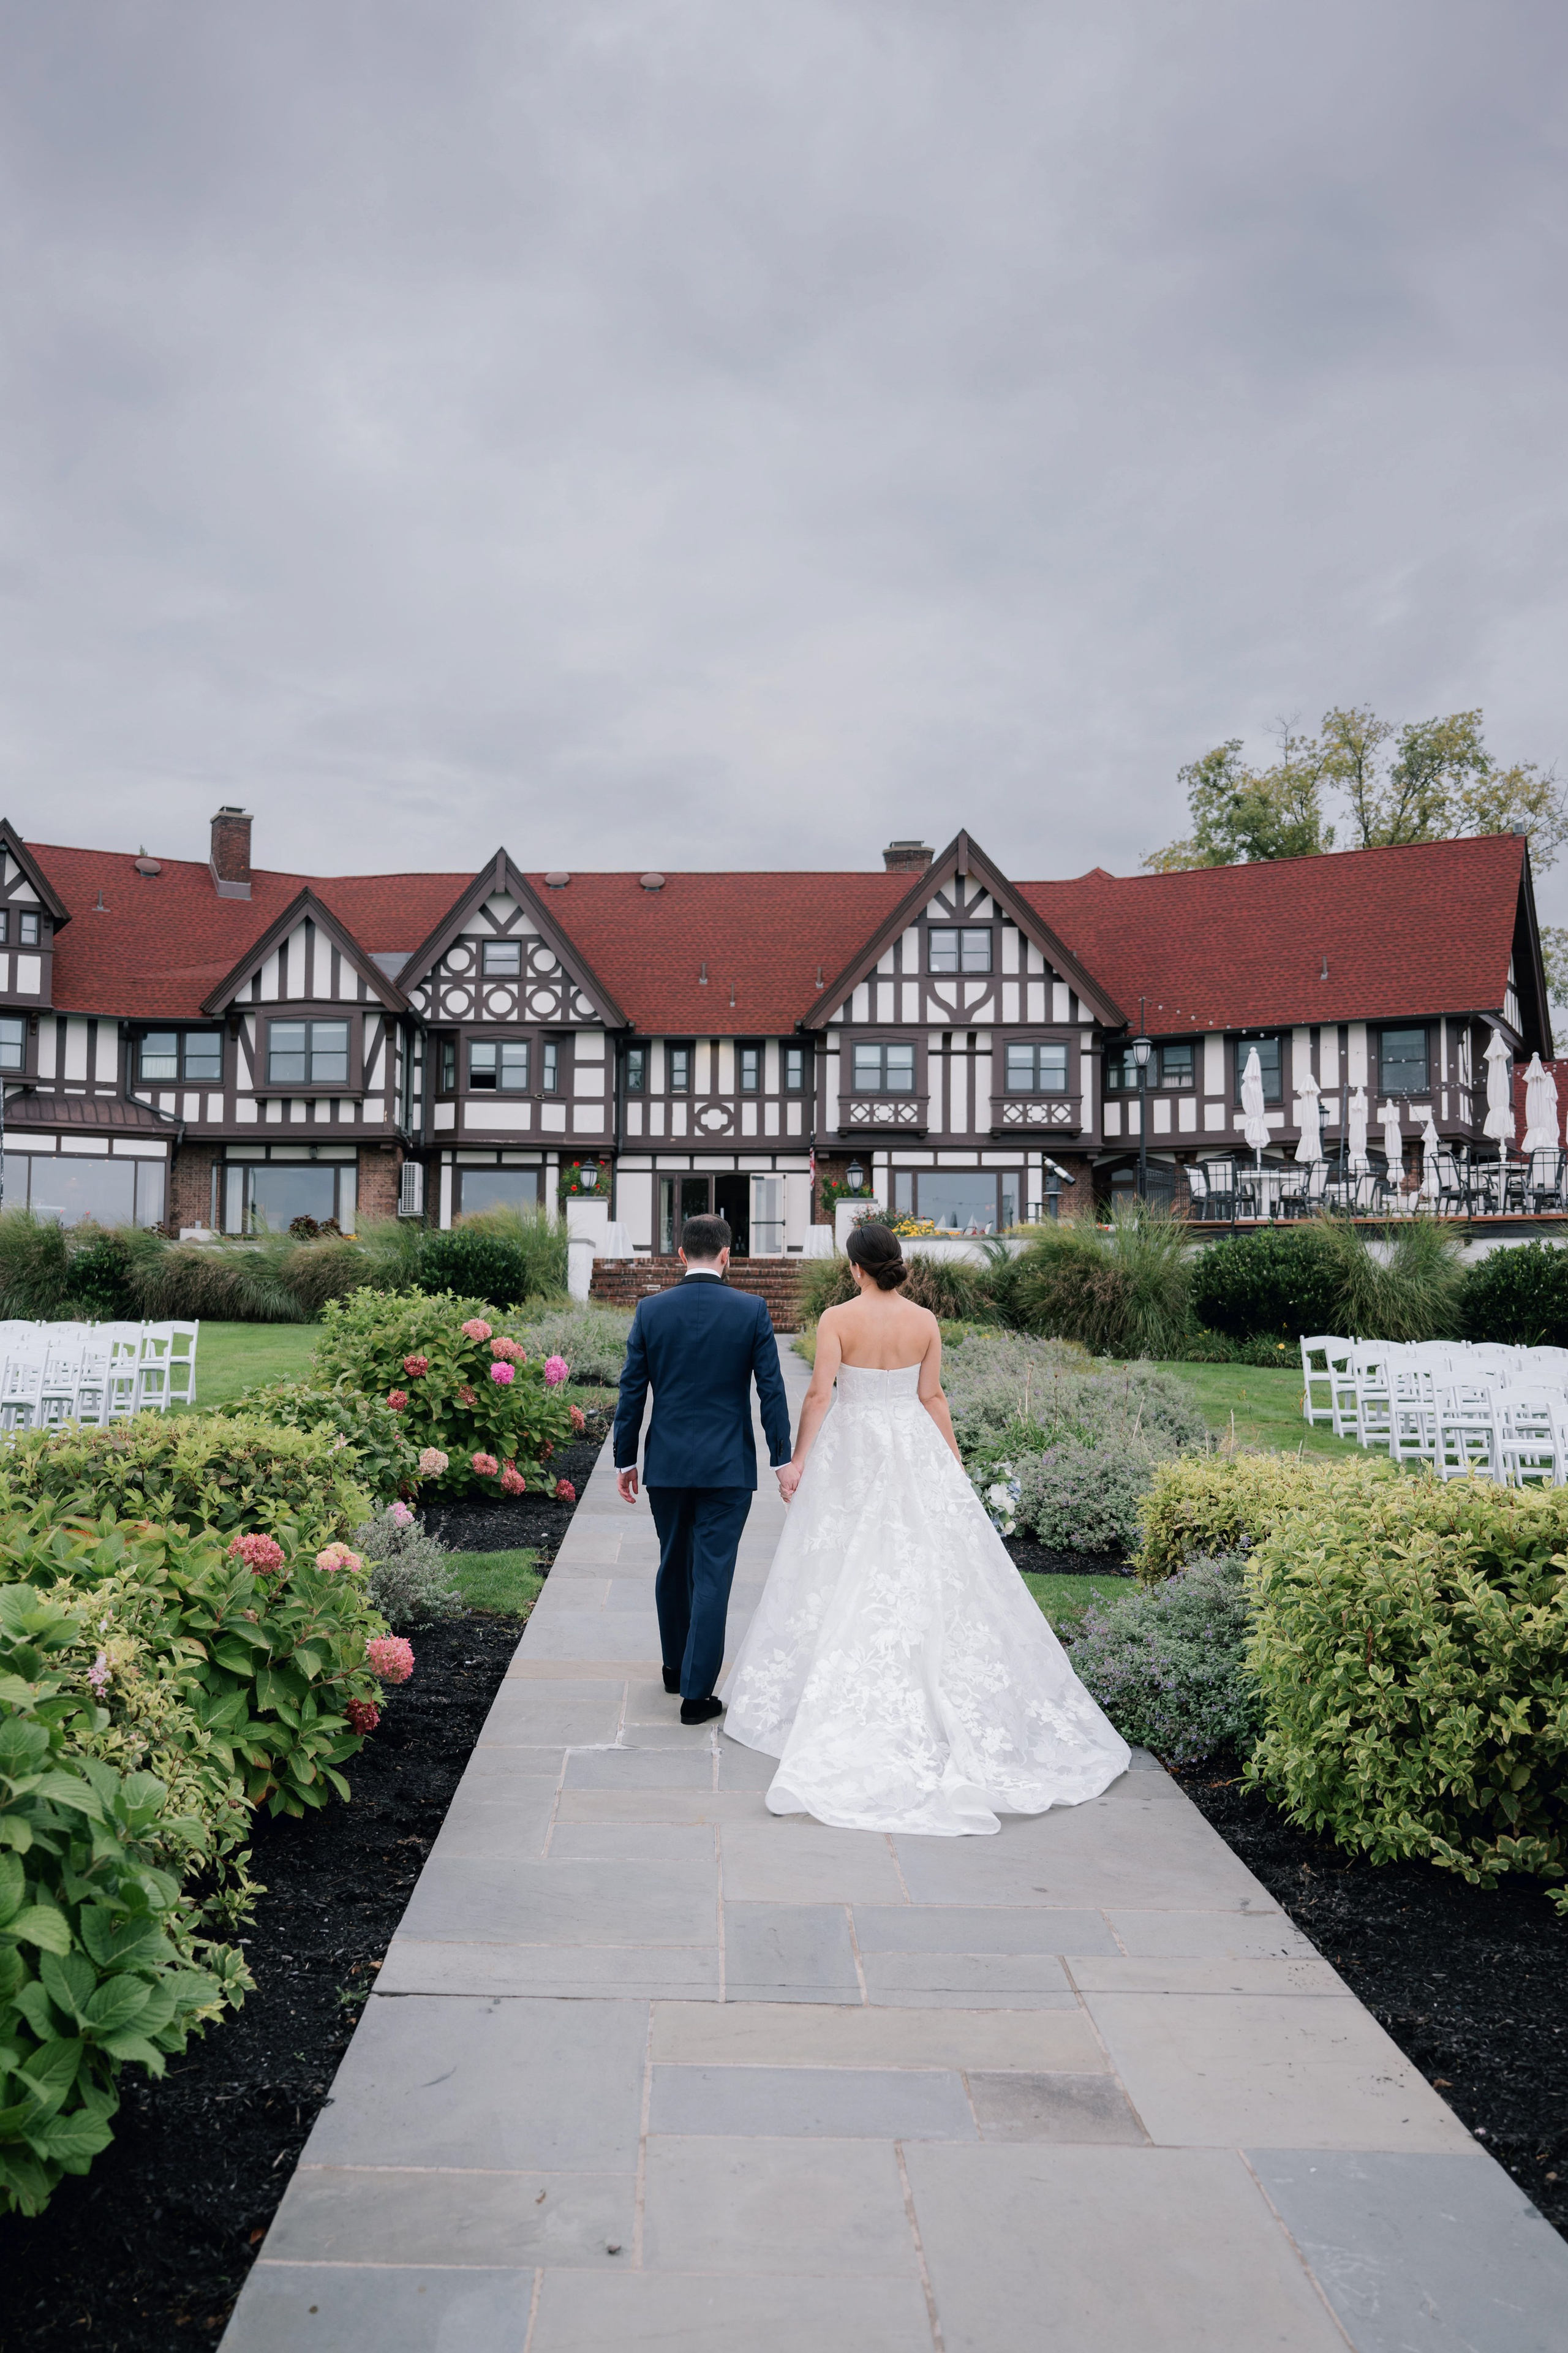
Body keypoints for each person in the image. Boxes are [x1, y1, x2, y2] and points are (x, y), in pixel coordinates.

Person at [722, 1220, 1129, 1834]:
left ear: (855, 1266)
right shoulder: (924, 1321)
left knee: (837, 1564)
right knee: (916, 1560)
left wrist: (799, 1460)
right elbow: (933, 1397)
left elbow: (820, 1396)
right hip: (913, 1445)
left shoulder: (837, 1318)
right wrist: (953, 1467)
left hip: (854, 1449)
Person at [613, 1212, 793, 1724]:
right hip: (728, 1467)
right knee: (711, 1573)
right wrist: (782, 1456)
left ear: (679, 1255)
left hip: (666, 1463)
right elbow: (771, 1389)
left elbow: (631, 1390)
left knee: (674, 1562)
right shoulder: (751, 1310)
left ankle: (675, 1667)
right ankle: (696, 1694)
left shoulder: (651, 1310)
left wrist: (627, 1458)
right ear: (726, 1254)